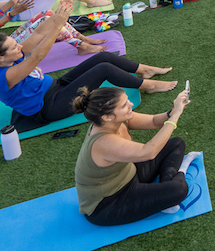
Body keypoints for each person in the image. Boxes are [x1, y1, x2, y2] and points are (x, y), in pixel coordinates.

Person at [0, 0, 177, 130]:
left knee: (101, 58)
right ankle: (149, 86)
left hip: (54, 88)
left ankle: (145, 71)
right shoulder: (2, 77)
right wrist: (59, 26)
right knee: (103, 69)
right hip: (48, 108)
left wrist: (56, 16)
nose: (18, 47)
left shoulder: (8, 58)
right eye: (13, 47)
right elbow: (36, 56)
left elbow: (38, 33)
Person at [74, 84, 197, 226]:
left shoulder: (117, 120)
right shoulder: (103, 143)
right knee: (179, 190)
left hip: (129, 175)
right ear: (107, 117)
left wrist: (173, 111)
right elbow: (149, 152)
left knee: (177, 143)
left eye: (127, 100)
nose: (131, 104)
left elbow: (153, 121)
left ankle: (166, 189)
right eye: (124, 105)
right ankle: (179, 174)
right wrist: (175, 116)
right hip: (109, 204)